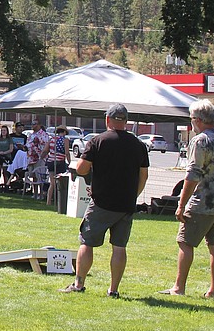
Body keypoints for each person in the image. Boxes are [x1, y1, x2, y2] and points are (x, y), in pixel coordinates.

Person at [61, 104, 149, 297]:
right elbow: (143, 176)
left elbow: (82, 169)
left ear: (107, 120)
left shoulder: (97, 141)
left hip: (101, 202)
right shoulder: (138, 145)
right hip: (126, 204)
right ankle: (114, 289)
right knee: (119, 247)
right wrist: (133, 195)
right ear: (125, 121)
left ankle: (79, 284)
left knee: (87, 242)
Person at [160, 100, 214, 299]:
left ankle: (179, 287)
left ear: (199, 120)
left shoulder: (200, 140)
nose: (191, 123)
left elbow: (193, 175)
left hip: (202, 202)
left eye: (191, 119)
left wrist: (181, 204)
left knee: (185, 243)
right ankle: (213, 291)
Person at [46, 126, 70, 206]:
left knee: (52, 183)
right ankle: (60, 201)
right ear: (64, 132)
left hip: (51, 162)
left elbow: (46, 150)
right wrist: (69, 162)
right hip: (60, 162)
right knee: (61, 183)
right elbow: (67, 152)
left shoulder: (52, 139)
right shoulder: (65, 140)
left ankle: (48, 201)